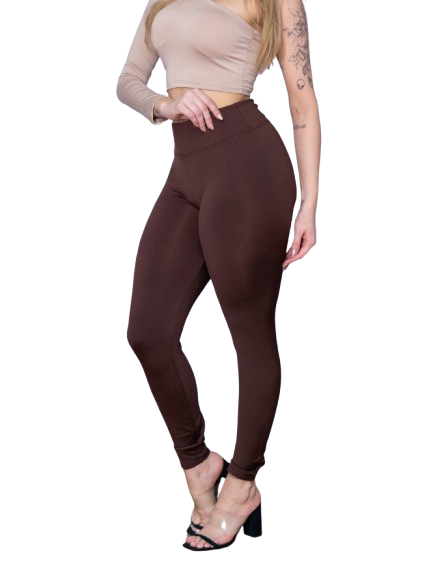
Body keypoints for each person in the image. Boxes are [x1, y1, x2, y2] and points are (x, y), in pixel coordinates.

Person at [116, 0, 320, 551]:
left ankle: (242, 487)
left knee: (249, 335)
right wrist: (165, 103)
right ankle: (199, 463)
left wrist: (309, 205)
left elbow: (302, 99)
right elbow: (128, 80)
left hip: (247, 167)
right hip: (186, 168)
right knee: (147, 332)